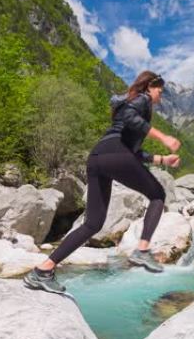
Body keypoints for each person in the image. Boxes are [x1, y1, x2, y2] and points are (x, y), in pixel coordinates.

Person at [24, 70, 181, 294]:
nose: (160, 97)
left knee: (93, 224)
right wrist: (164, 137)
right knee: (157, 195)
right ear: (149, 87)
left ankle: (42, 270)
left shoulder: (131, 103)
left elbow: (132, 153)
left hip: (98, 157)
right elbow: (130, 118)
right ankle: (142, 250)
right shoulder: (142, 100)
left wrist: (163, 159)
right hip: (114, 154)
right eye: (159, 91)